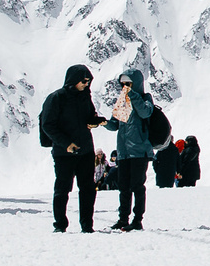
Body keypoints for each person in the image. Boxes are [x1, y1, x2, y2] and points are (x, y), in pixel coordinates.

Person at [37, 63, 104, 233]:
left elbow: (89, 117)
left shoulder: (85, 97)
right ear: (73, 80)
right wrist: (66, 144)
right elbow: (48, 125)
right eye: (83, 81)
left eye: (88, 81)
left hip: (86, 150)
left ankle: (87, 226)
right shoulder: (56, 98)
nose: (86, 84)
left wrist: (96, 121)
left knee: (88, 189)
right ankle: (60, 225)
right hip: (64, 153)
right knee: (62, 189)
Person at [107, 69, 161, 231]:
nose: (125, 87)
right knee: (123, 186)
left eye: (128, 83)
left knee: (137, 186)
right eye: (123, 84)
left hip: (139, 151)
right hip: (124, 152)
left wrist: (132, 95)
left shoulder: (144, 98)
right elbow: (115, 124)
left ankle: (137, 220)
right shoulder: (123, 101)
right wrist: (102, 122)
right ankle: (123, 218)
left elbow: (145, 113)